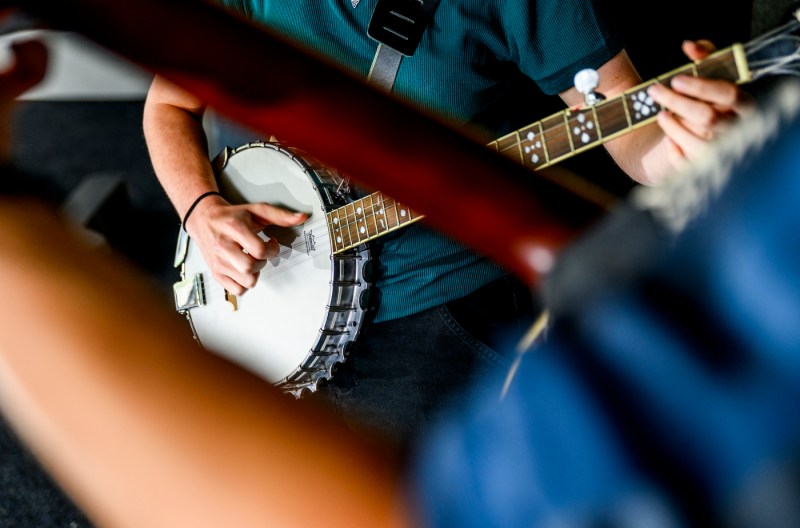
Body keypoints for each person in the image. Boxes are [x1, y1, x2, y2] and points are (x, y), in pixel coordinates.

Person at [142, 0, 749, 448]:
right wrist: (201, 208)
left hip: (437, 312)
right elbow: (169, 105)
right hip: (274, 296)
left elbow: (634, 137)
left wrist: (695, 145)